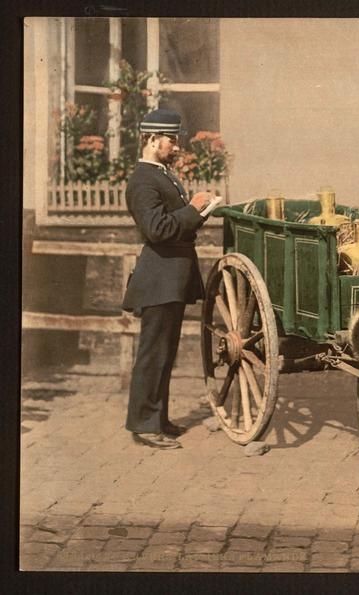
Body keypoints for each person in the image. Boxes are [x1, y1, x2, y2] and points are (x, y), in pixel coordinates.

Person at [122, 108, 213, 449]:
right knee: (153, 354)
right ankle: (144, 425)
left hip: (172, 278)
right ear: (150, 139)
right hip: (159, 279)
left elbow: (175, 224)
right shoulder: (143, 180)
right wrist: (193, 209)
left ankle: (157, 418)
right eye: (171, 141)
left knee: (164, 353)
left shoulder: (161, 174)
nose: (176, 147)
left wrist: (200, 209)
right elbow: (158, 229)